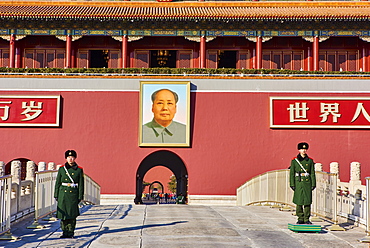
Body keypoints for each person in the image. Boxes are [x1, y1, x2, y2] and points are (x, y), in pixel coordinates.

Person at [54, 150, 84, 238]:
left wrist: (80, 196)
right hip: (63, 193)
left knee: (71, 214)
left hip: (73, 194)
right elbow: (58, 182)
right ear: (66, 158)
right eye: (68, 157)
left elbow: (81, 184)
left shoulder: (79, 170)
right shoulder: (62, 169)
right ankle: (64, 231)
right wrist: (56, 194)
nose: (70, 159)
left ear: (75, 158)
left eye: (72, 157)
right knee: (63, 214)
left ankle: (70, 232)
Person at [289, 142, 316, 225]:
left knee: (307, 201)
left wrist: (313, 184)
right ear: (299, 150)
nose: (304, 150)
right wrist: (292, 184)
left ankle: (307, 218)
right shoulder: (294, 161)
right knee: (299, 201)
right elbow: (292, 173)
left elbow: (312, 173)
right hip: (299, 182)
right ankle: (300, 217)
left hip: (307, 182)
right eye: (302, 149)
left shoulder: (310, 161)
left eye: (305, 149)